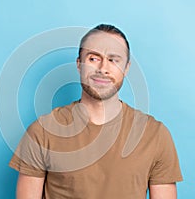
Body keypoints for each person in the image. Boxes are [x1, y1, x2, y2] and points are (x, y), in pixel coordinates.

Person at [9, 24, 183, 199]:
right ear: (79, 64)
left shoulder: (155, 135)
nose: (102, 68)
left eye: (114, 60)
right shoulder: (42, 132)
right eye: (93, 59)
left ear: (126, 68)